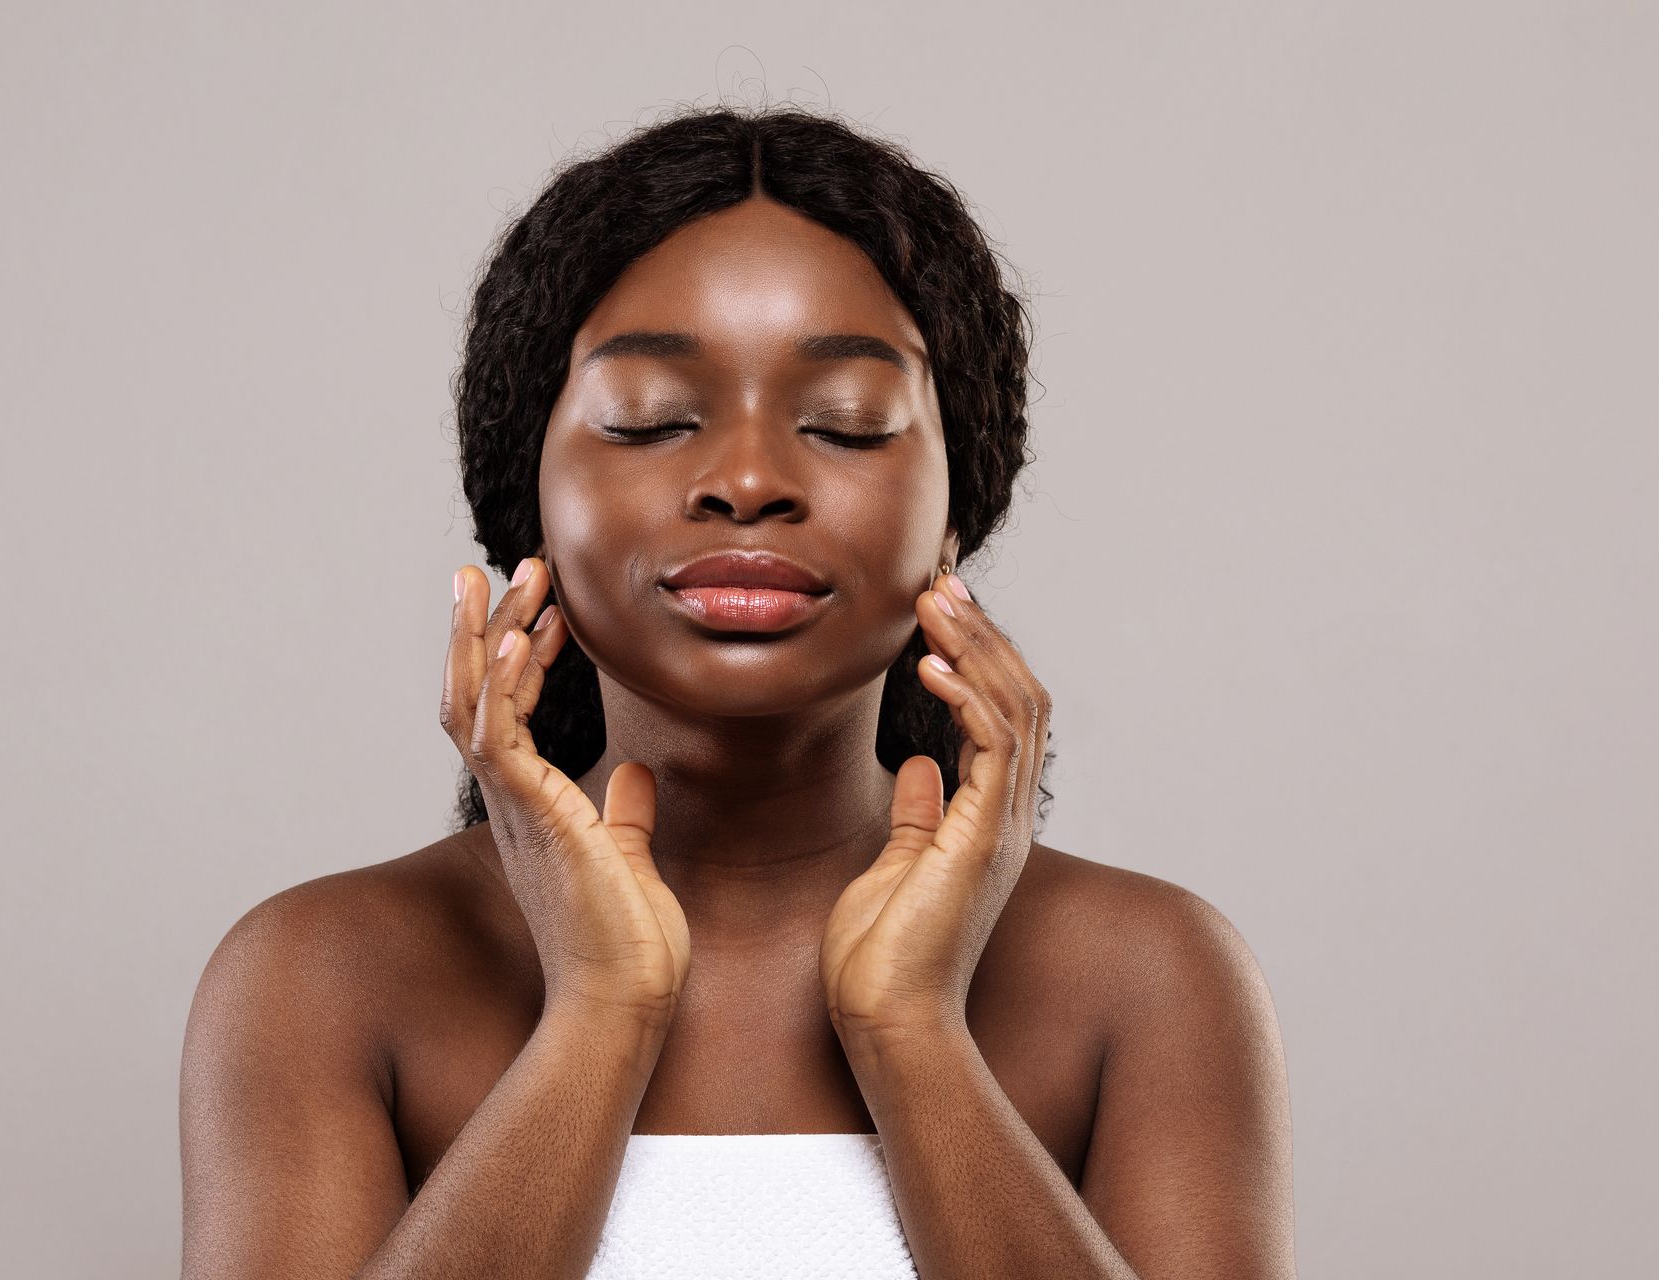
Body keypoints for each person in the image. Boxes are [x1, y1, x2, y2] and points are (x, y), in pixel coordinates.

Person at [179, 105, 1297, 1280]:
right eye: (650, 419)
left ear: (957, 511)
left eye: (846, 426)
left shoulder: (1149, 976)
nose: (749, 480)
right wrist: (601, 1010)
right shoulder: (326, 974)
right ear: (532, 507)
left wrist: (910, 1028)